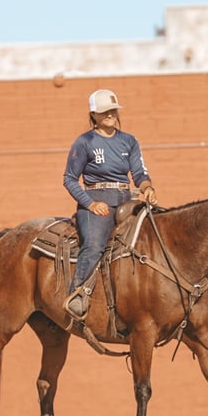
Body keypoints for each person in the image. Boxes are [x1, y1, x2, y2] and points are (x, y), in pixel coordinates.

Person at [63, 89, 158, 320]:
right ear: (93, 115)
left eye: (113, 110)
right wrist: (90, 204)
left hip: (127, 199)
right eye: (105, 111)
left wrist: (147, 187)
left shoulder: (129, 141)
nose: (110, 115)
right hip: (97, 202)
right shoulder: (84, 142)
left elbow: (139, 172)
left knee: (154, 236)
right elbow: (69, 179)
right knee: (95, 245)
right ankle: (78, 293)